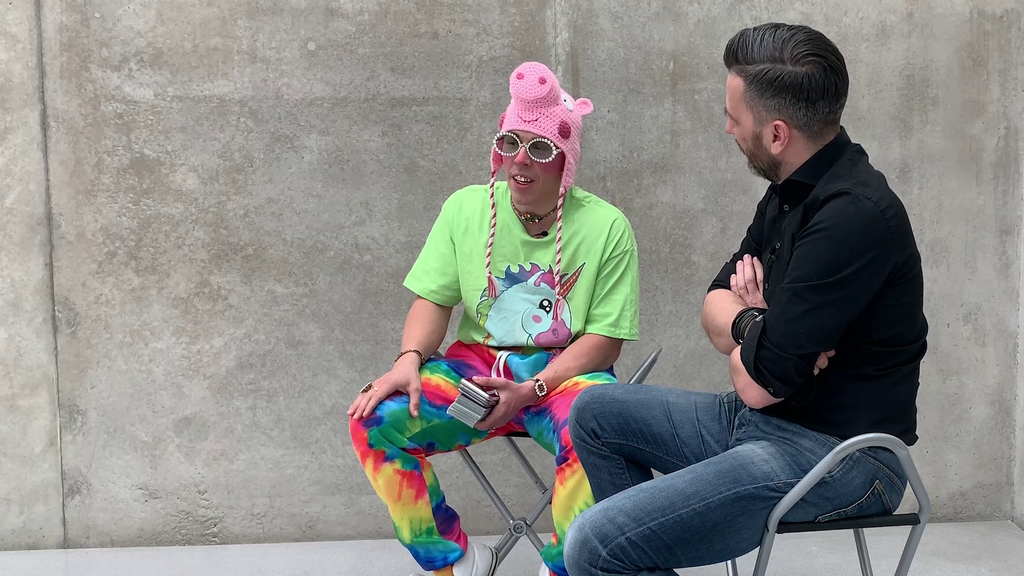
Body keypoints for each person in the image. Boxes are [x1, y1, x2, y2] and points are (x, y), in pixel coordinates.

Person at [563, 22, 928, 576]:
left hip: (840, 457)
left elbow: (756, 385)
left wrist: (753, 345)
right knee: (594, 411)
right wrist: (756, 324)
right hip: (759, 423)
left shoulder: (852, 217)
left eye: (735, 116)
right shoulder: (788, 190)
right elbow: (714, 305)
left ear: (777, 133)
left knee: (593, 543)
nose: (728, 126)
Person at [347, 61, 640, 576]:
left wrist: (532, 390)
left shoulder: (607, 226)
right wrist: (408, 359)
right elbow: (433, 300)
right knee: (373, 419)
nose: (519, 161)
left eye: (540, 148)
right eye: (510, 143)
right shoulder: (466, 209)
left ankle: (568, 566)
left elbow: (605, 340)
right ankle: (454, 562)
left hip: (565, 375)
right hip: (477, 373)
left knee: (597, 427)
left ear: (566, 159)